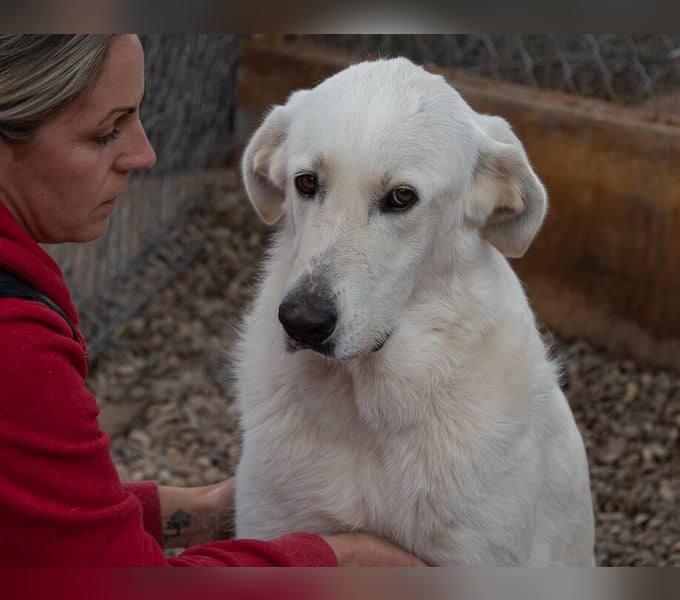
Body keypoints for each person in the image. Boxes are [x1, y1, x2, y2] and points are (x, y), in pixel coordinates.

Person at [0, 34, 425, 567]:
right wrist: (340, 558)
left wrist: (203, 509)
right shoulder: (13, 348)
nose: (144, 154)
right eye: (106, 131)